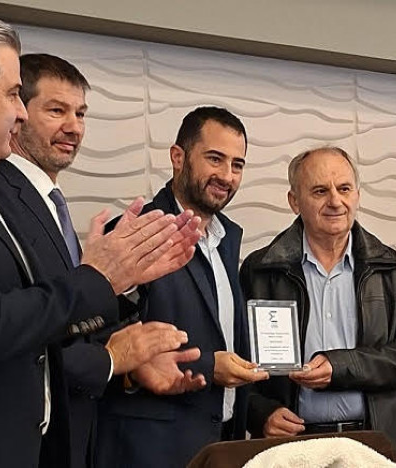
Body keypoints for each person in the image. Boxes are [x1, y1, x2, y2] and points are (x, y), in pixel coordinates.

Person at [0, 9, 200, 468]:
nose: (21, 112)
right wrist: (98, 279)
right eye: (13, 94)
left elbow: (24, 313)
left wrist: (114, 279)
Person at [0, 53, 203, 468]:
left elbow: (66, 320)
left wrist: (123, 291)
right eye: (56, 111)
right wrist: (110, 358)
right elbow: (21, 332)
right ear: (18, 113)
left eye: (81, 113)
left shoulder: (48, 200)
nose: (74, 127)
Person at [96, 106, 269, 468]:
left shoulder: (226, 239)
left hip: (220, 446)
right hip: (148, 452)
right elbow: (99, 346)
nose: (227, 176)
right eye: (215, 159)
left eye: (237, 164)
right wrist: (208, 366)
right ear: (178, 157)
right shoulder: (136, 232)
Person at [239, 146, 396, 468]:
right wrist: (260, 414)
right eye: (320, 191)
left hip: (376, 443)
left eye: (344, 189)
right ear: (294, 201)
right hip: (292, 450)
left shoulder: (388, 266)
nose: (335, 201)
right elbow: (235, 361)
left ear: (357, 195)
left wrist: (341, 366)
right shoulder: (260, 270)